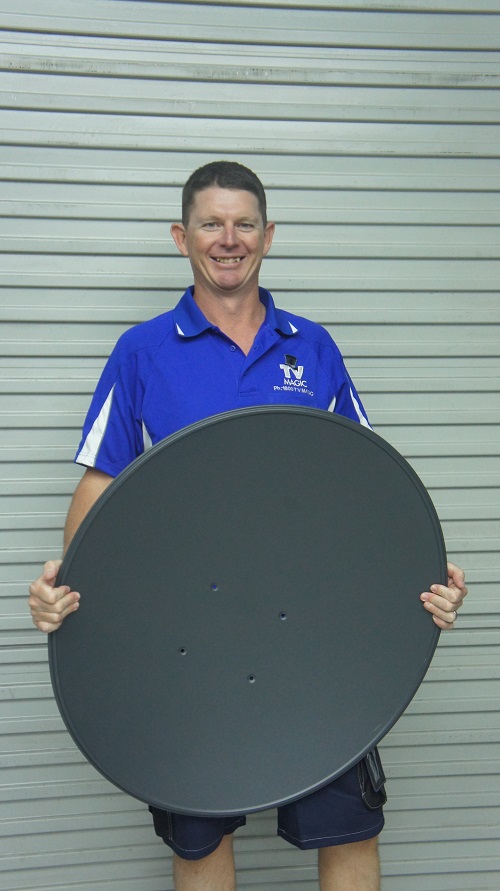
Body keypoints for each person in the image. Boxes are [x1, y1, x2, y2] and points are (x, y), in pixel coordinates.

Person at [28, 161, 468, 891]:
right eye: (211, 223)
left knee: (352, 826)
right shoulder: (143, 351)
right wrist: (62, 592)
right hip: (187, 636)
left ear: (268, 236)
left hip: (313, 635)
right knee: (199, 840)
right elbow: (102, 483)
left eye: (245, 224)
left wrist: (421, 579)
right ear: (182, 236)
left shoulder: (313, 347)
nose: (228, 239)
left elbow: (368, 484)